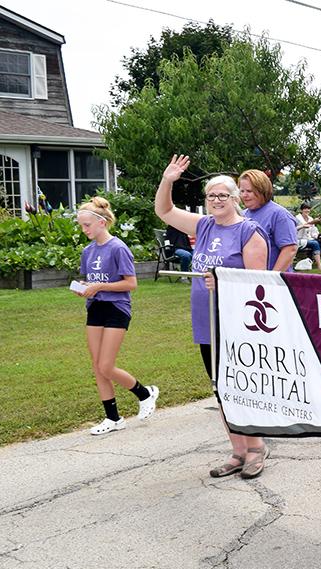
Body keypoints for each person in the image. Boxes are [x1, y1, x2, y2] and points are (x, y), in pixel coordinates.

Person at [155, 155, 271, 479]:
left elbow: (258, 284)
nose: (216, 200)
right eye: (211, 196)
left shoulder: (249, 232)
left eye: (223, 195)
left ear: (236, 199)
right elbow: (164, 211)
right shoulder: (204, 226)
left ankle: (257, 448)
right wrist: (169, 180)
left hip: (238, 324)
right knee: (220, 389)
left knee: (241, 388)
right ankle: (238, 451)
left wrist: (223, 280)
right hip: (207, 323)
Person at [73, 197, 159, 435]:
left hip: (116, 309)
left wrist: (99, 287)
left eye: (87, 225)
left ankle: (145, 393)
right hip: (95, 308)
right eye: (81, 226)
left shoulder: (119, 248)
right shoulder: (88, 251)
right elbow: (94, 281)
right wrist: (86, 287)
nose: (84, 230)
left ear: (102, 222)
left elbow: (131, 284)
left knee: (106, 366)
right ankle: (113, 418)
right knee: (97, 366)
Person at [238, 169, 298, 272]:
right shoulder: (241, 215)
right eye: (242, 191)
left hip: (273, 283)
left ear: (262, 190)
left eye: (249, 191)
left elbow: (290, 250)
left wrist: (271, 279)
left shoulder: (279, 214)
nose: (244, 195)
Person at [295, 202, 321, 270]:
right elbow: (304, 225)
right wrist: (313, 221)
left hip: (309, 239)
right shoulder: (297, 218)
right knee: (315, 243)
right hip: (300, 240)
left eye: (308, 209)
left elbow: (313, 231)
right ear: (301, 210)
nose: (307, 210)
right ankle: (319, 265)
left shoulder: (310, 218)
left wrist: (318, 237)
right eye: (305, 209)